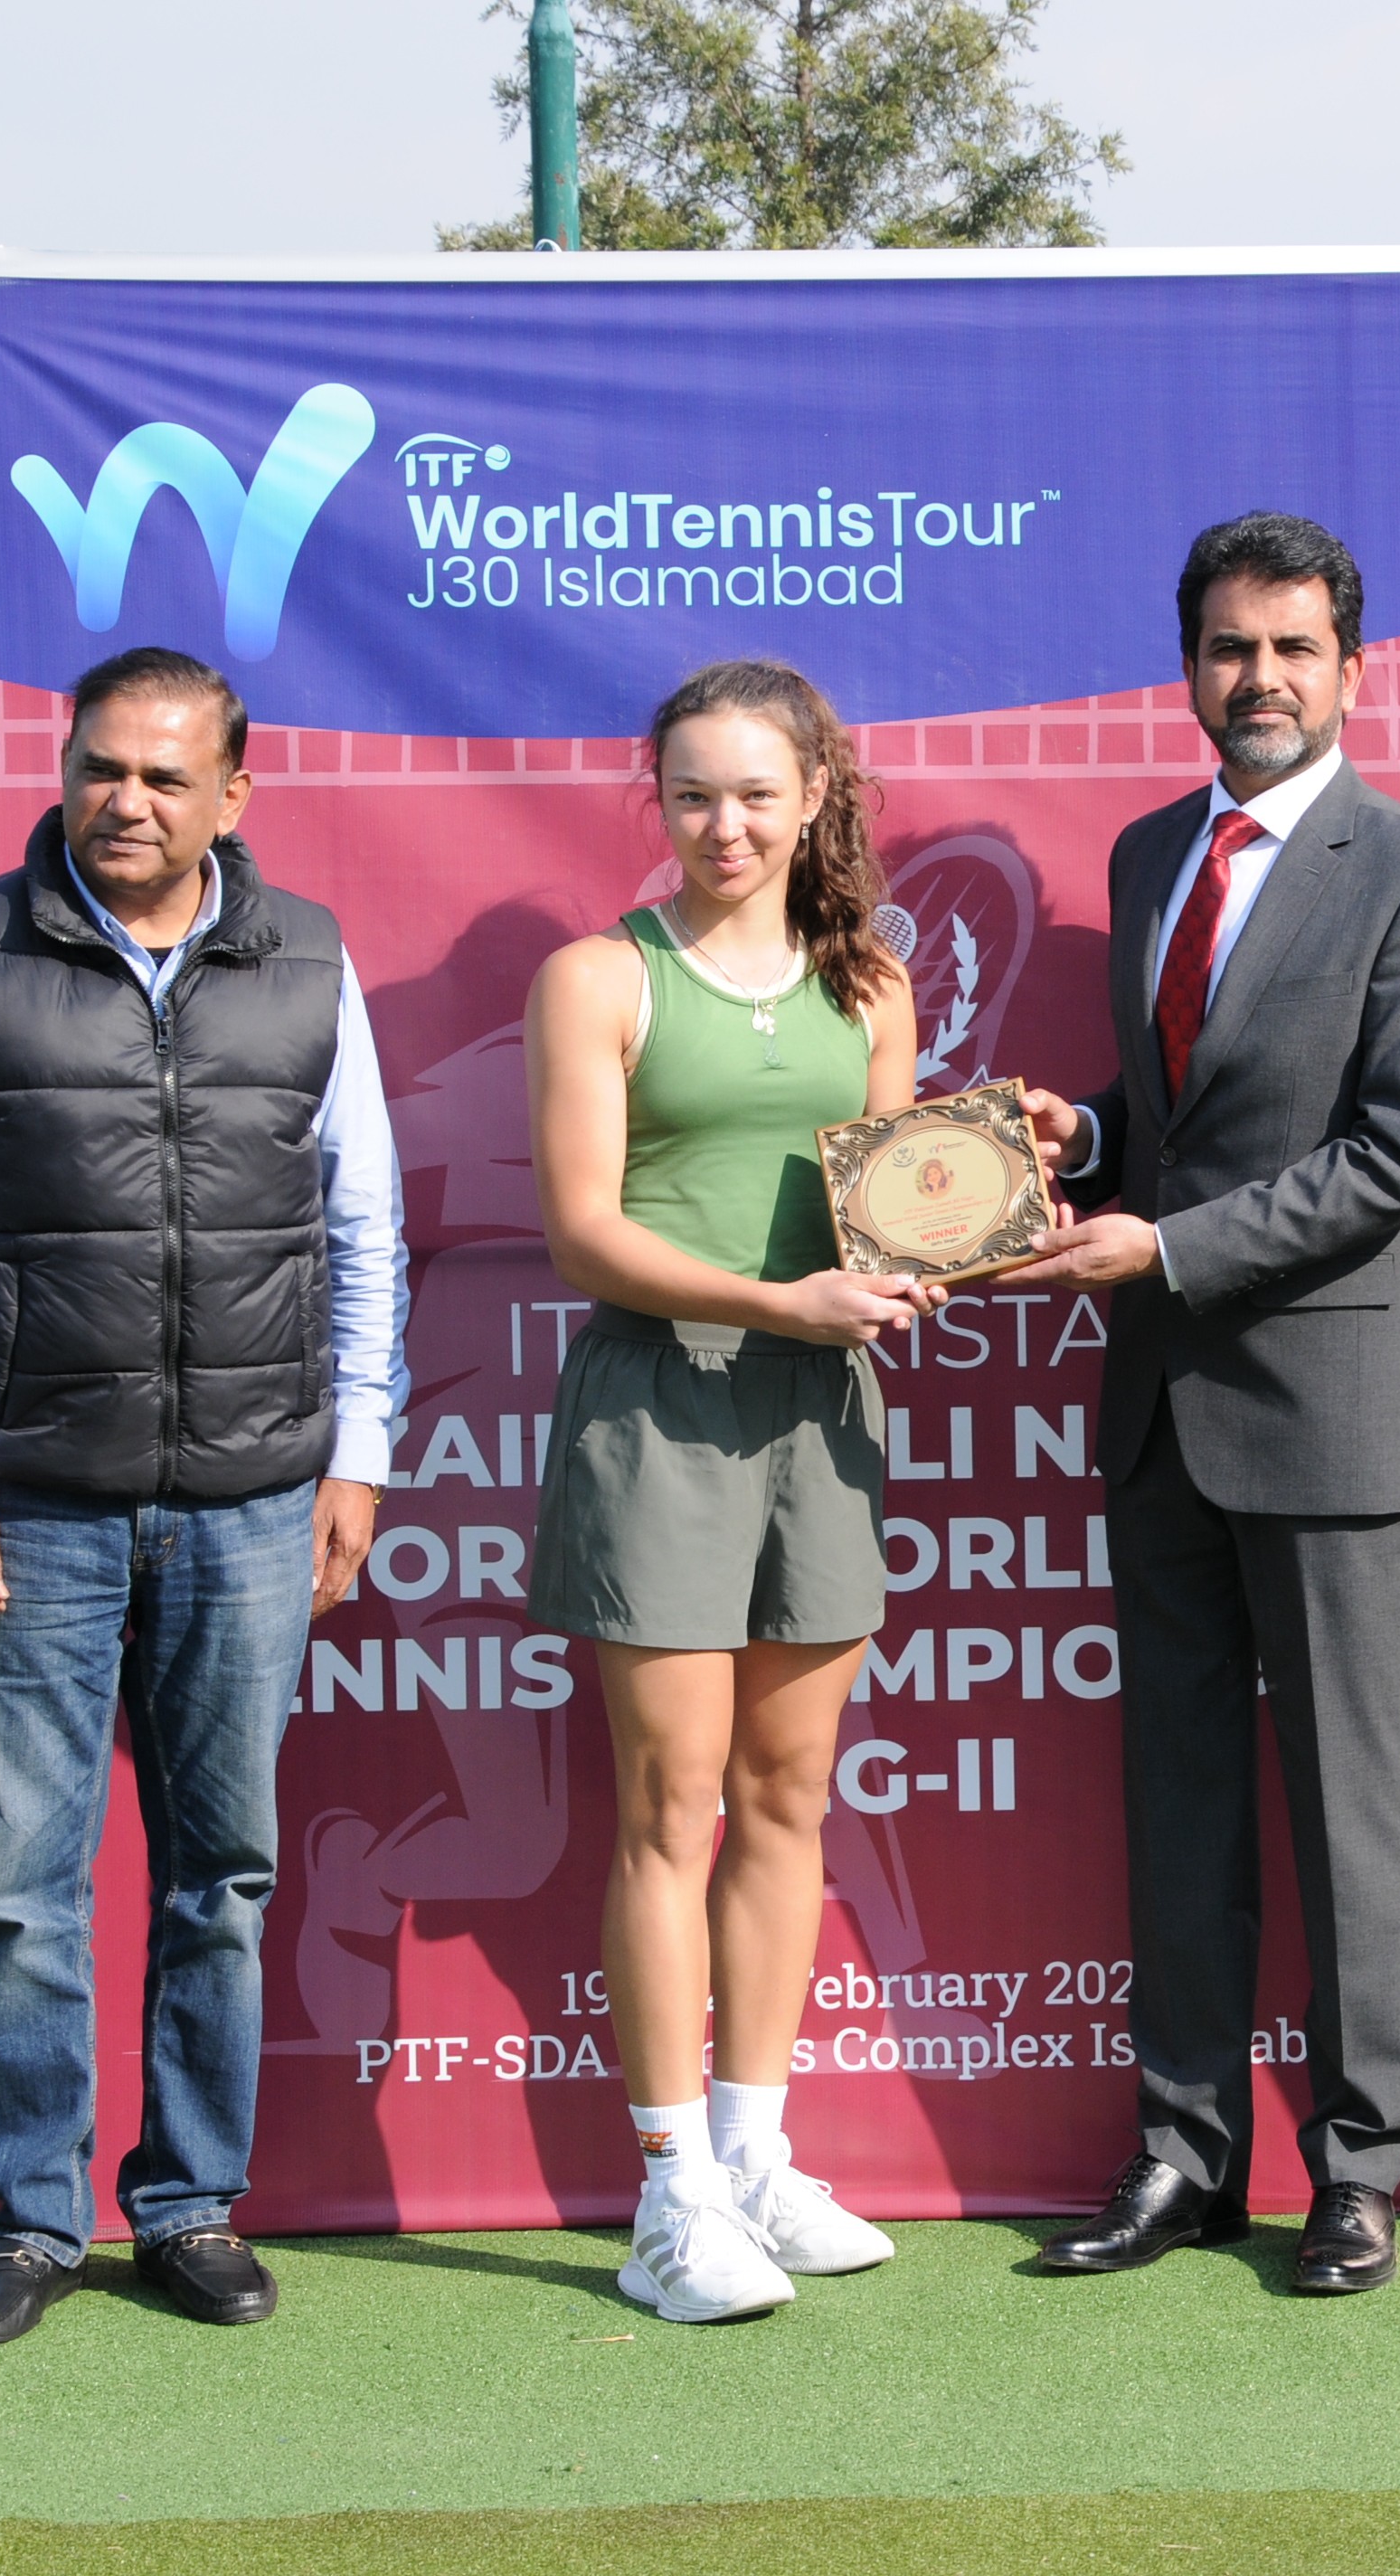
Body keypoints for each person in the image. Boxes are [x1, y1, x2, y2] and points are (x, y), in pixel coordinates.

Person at [0, 645, 408, 2350]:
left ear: (235, 792)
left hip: (248, 1501)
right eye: (101, 768)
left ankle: (189, 2205)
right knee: (24, 1882)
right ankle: (25, 2222)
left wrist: (356, 1453)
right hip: (34, 1508)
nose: (128, 801)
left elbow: (363, 1228)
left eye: (167, 776)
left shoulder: (305, 960)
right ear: (65, 770)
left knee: (220, 1870)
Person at [1011, 511, 1400, 2297]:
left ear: (1350, 671)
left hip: (1338, 1407)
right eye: (1228, 647)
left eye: (1292, 648)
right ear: (1189, 665)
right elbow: (1188, 1114)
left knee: (1356, 1807)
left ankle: (1359, 2169)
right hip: (1156, 1406)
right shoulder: (1151, 856)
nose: (1260, 678)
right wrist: (1075, 1134)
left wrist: (1164, 1248)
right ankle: (1180, 2153)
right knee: (1181, 1798)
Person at [523, 658, 936, 2325]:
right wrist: (781, 1304)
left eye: (757, 793)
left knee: (788, 1802)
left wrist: (990, 1190)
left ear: (813, 797)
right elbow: (585, 1232)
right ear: (659, 797)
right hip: (660, 1416)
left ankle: (760, 2155)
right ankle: (671, 2193)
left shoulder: (876, 987)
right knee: (666, 1811)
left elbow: (895, 1222)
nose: (725, 825)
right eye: (693, 792)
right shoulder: (595, 979)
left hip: (822, 1423)